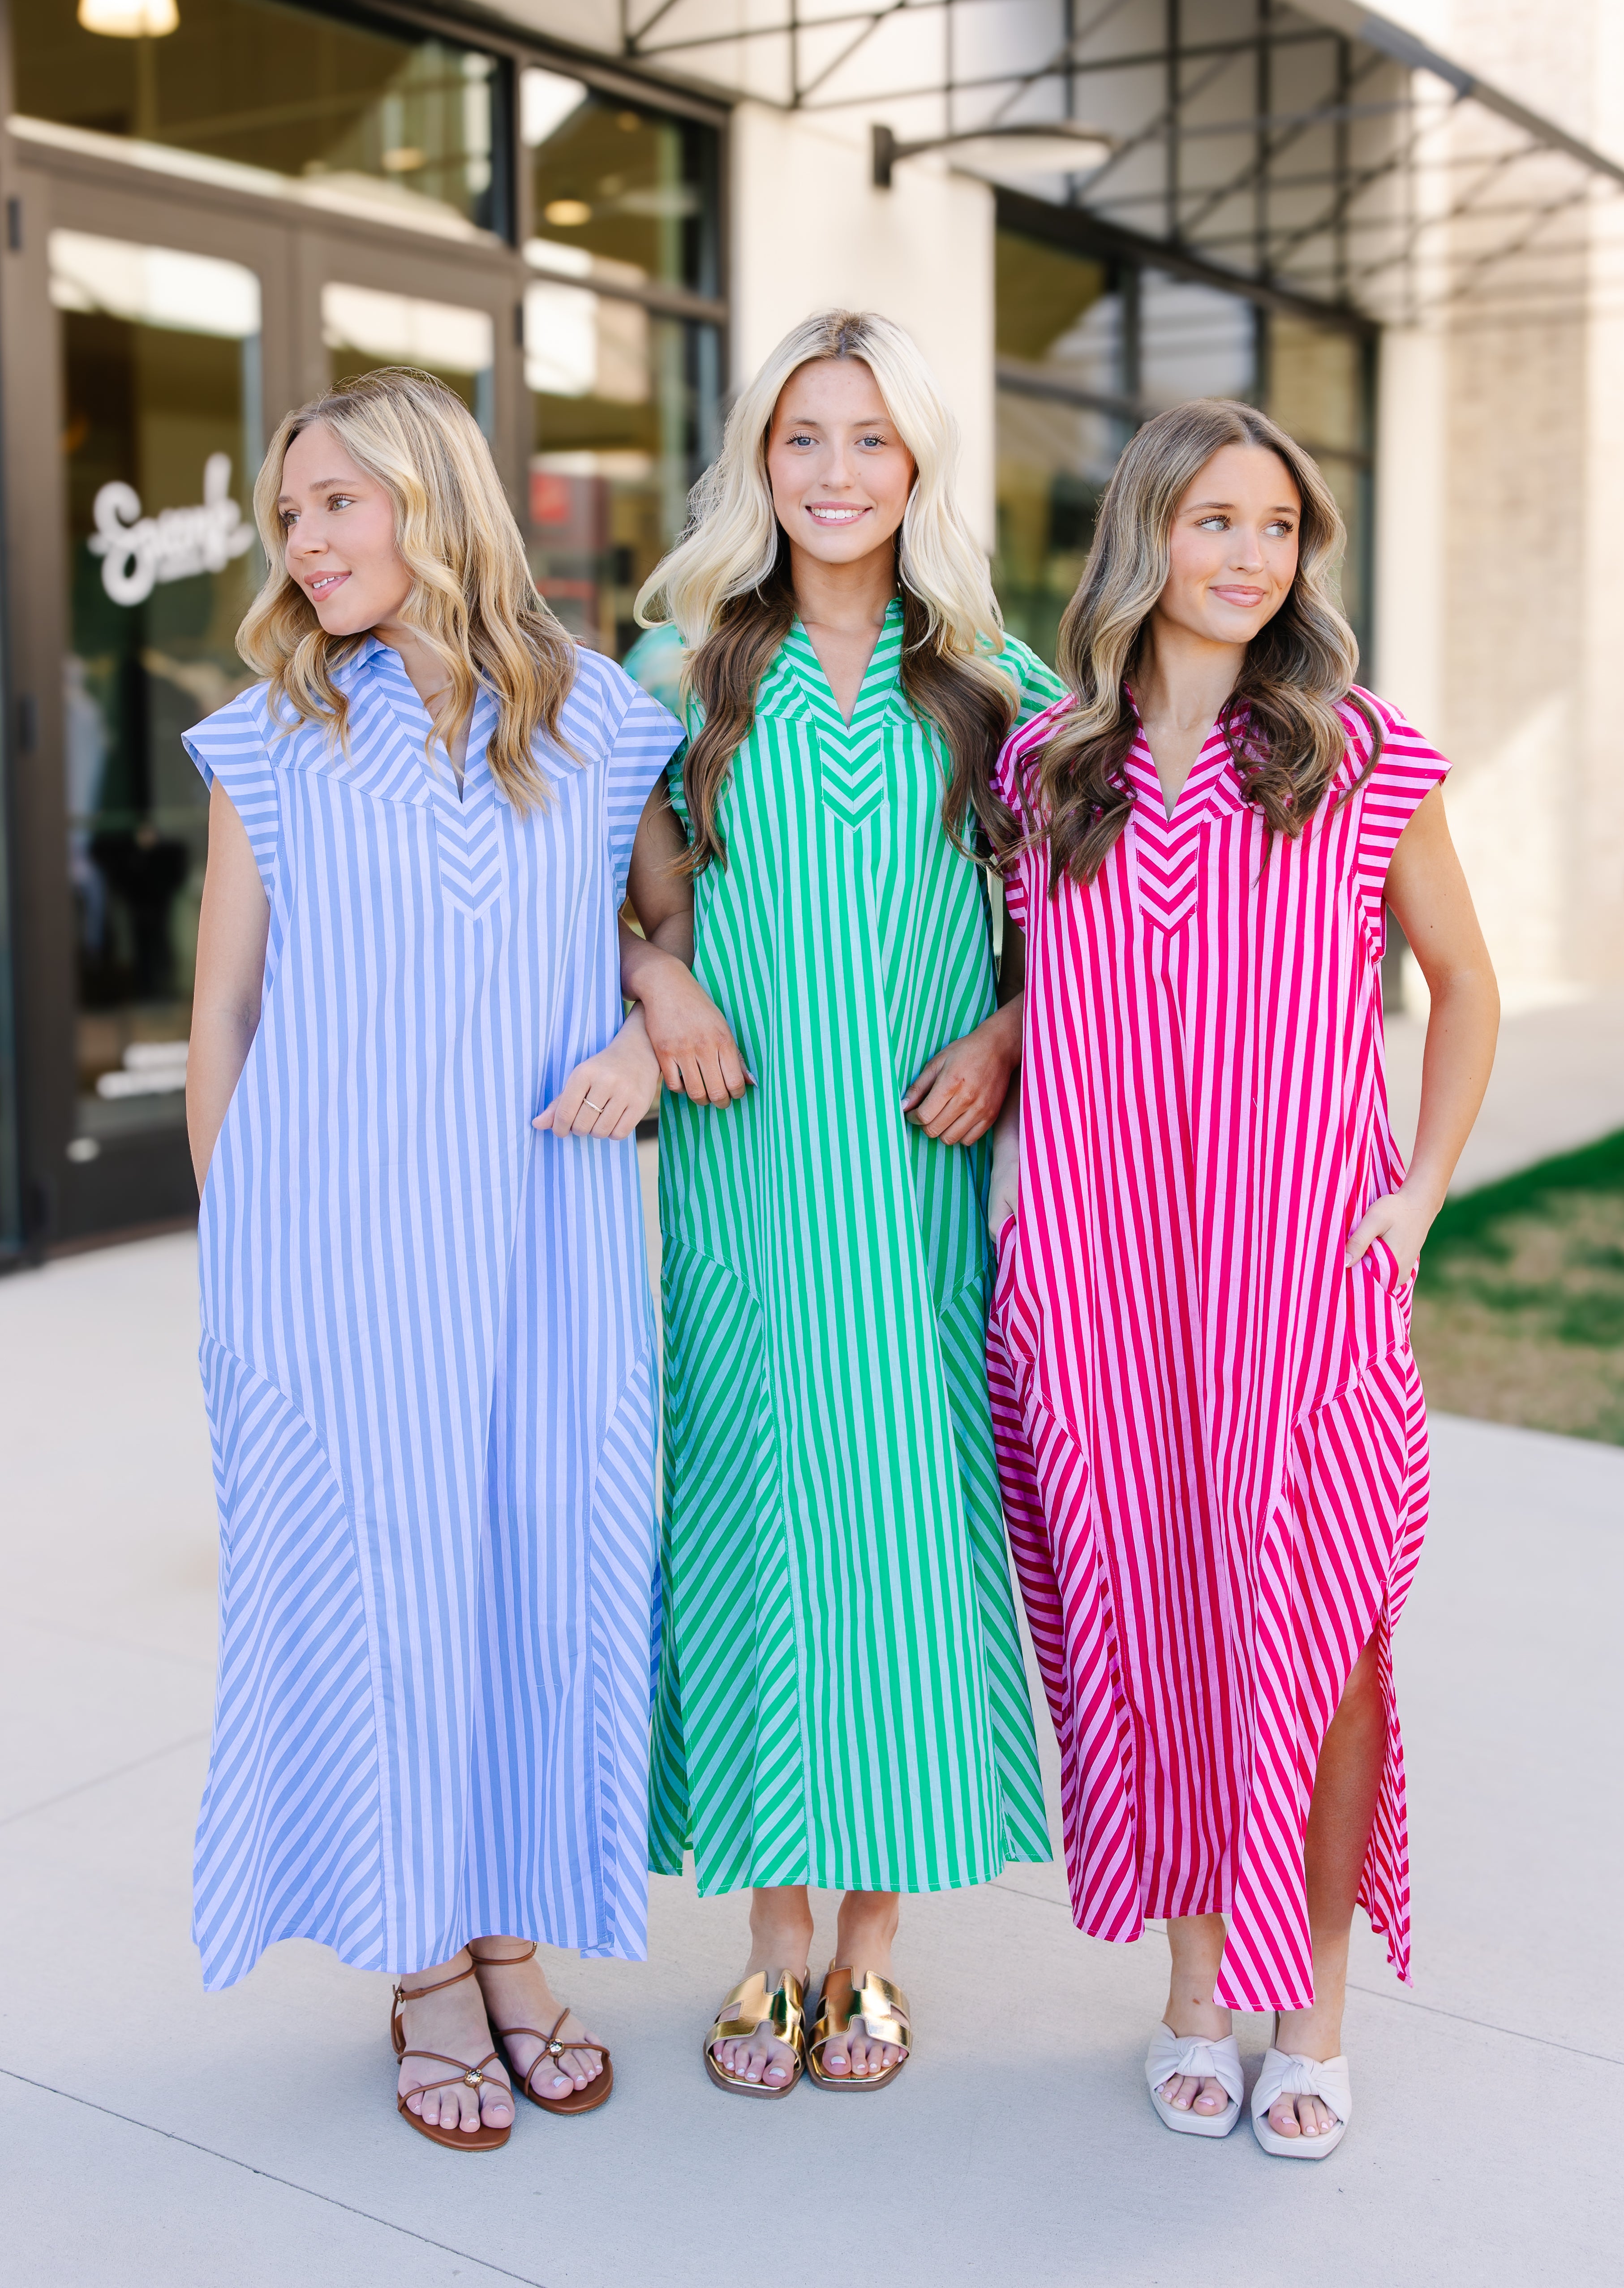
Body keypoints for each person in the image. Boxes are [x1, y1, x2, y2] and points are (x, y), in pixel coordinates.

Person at [987, 399, 1498, 2159]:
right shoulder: (1048, 768)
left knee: (1326, 1637)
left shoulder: (1358, 752)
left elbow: (1464, 983)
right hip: (1105, 1285)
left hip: (1302, 1278)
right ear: (1145, 532)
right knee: (1160, 1635)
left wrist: (1418, 1194)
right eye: (1216, 519)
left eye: (1278, 526)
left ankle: (1318, 2012)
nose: (1251, 556)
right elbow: (1048, 996)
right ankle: (1198, 1990)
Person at [182, 367, 685, 2150]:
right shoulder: (271, 735)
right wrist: (240, 1271)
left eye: (337, 501)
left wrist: (649, 1027)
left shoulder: (600, 715)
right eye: (290, 513)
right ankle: (423, 1967)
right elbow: (223, 1015)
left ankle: (510, 1933)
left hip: (547, 1246)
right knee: (386, 1596)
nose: (306, 541)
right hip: (332, 1261)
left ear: (435, 499)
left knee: (539, 1580)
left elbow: (664, 920)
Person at [619, 310, 1062, 2096]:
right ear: (759, 458)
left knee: (900, 1538)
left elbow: (1082, 926)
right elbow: (614, 900)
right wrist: (661, 985)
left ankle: (869, 1944)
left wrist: (1008, 1037)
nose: (835, 470)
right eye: (803, 435)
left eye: (871, 437)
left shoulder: (998, 685)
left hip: (912, 1178)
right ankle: (770, 1936)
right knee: (752, 1524)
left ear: (920, 463)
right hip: (743, 1172)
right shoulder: (679, 670)